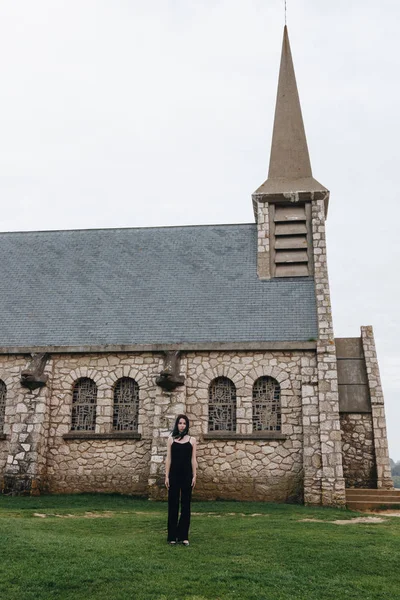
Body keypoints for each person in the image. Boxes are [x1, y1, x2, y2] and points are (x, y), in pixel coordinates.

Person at [165, 414, 197, 546]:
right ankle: (172, 536)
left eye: (184, 423)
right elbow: (169, 459)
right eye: (180, 423)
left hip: (187, 475)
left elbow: (193, 459)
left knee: (186, 506)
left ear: (187, 425)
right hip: (174, 475)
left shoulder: (192, 440)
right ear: (177, 425)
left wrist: (195, 475)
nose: (182, 425)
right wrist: (166, 476)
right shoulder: (171, 440)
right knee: (173, 505)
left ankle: (183, 535)